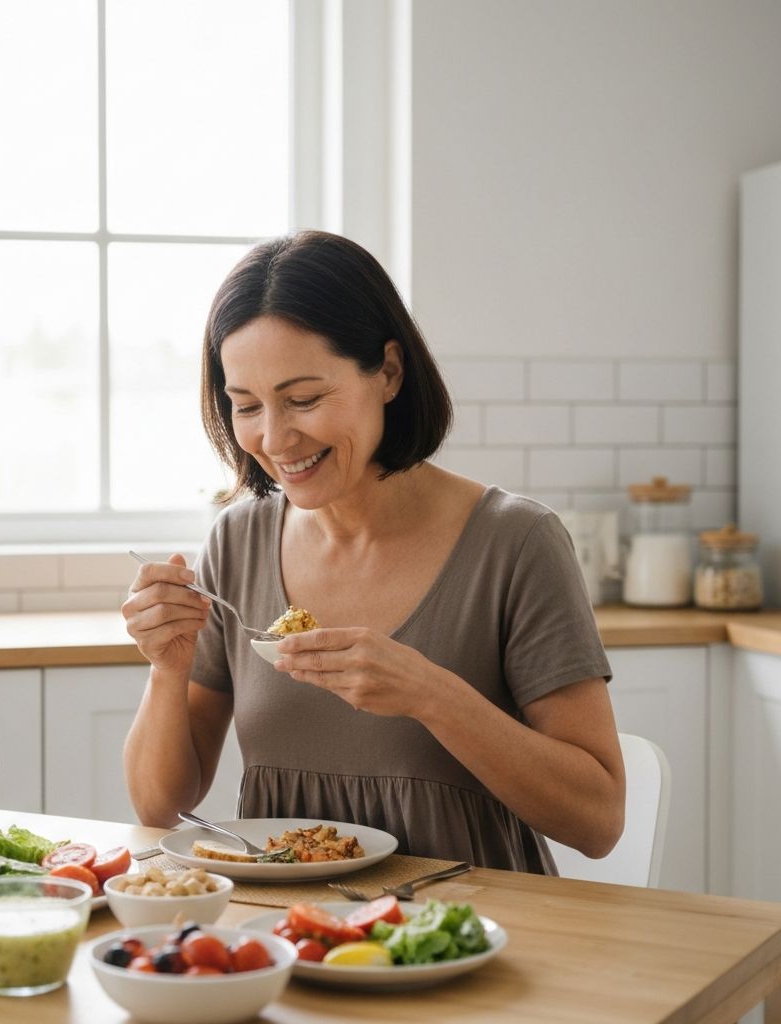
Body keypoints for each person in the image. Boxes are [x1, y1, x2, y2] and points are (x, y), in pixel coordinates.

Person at [121, 230, 624, 872]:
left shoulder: (516, 543)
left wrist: (429, 693)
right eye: (246, 406)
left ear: (388, 372)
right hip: (286, 934)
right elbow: (158, 806)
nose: (275, 438)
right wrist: (167, 666)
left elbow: (600, 821)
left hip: (474, 934)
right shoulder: (237, 542)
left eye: (304, 399)